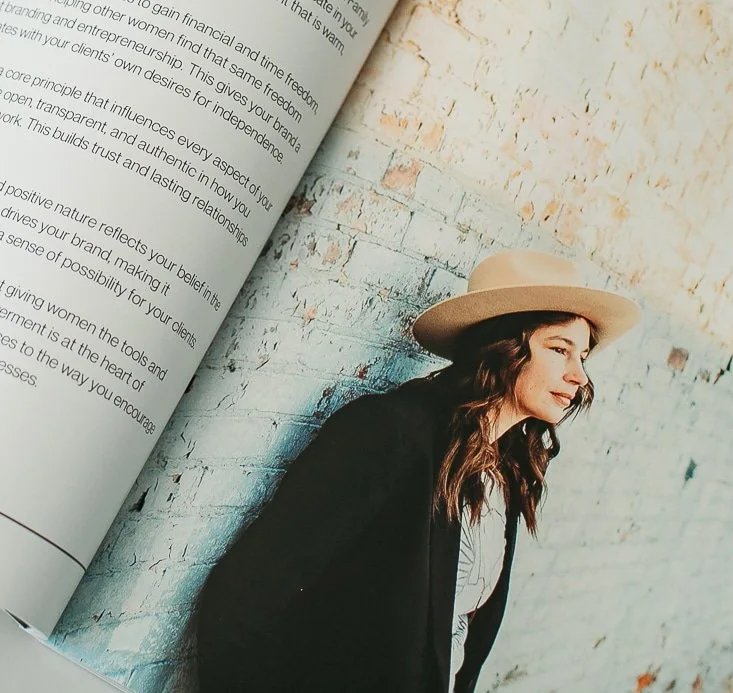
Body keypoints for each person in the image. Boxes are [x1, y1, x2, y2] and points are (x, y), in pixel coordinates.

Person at [193, 249, 640, 693]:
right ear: (501, 346)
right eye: (559, 350)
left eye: (583, 356)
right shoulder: (388, 434)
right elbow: (246, 594)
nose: (579, 376)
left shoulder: (504, 470)